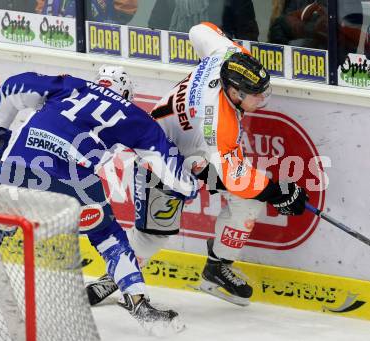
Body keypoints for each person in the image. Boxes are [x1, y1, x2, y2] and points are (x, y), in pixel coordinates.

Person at [0, 67, 200, 335]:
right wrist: (190, 186)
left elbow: (12, 86)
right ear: (125, 93)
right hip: (74, 183)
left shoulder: (69, 85)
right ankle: (139, 304)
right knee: (108, 236)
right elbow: (171, 173)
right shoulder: (133, 114)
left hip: (17, 168)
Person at [86, 22, 309, 307]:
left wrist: (224, 40)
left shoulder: (226, 55)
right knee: (153, 237)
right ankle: (114, 275)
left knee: (248, 203)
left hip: (199, 153)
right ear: (235, 92)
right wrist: (279, 192)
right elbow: (234, 177)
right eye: (257, 95)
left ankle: (217, 267)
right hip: (162, 158)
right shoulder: (217, 126)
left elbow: (199, 30)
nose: (263, 100)